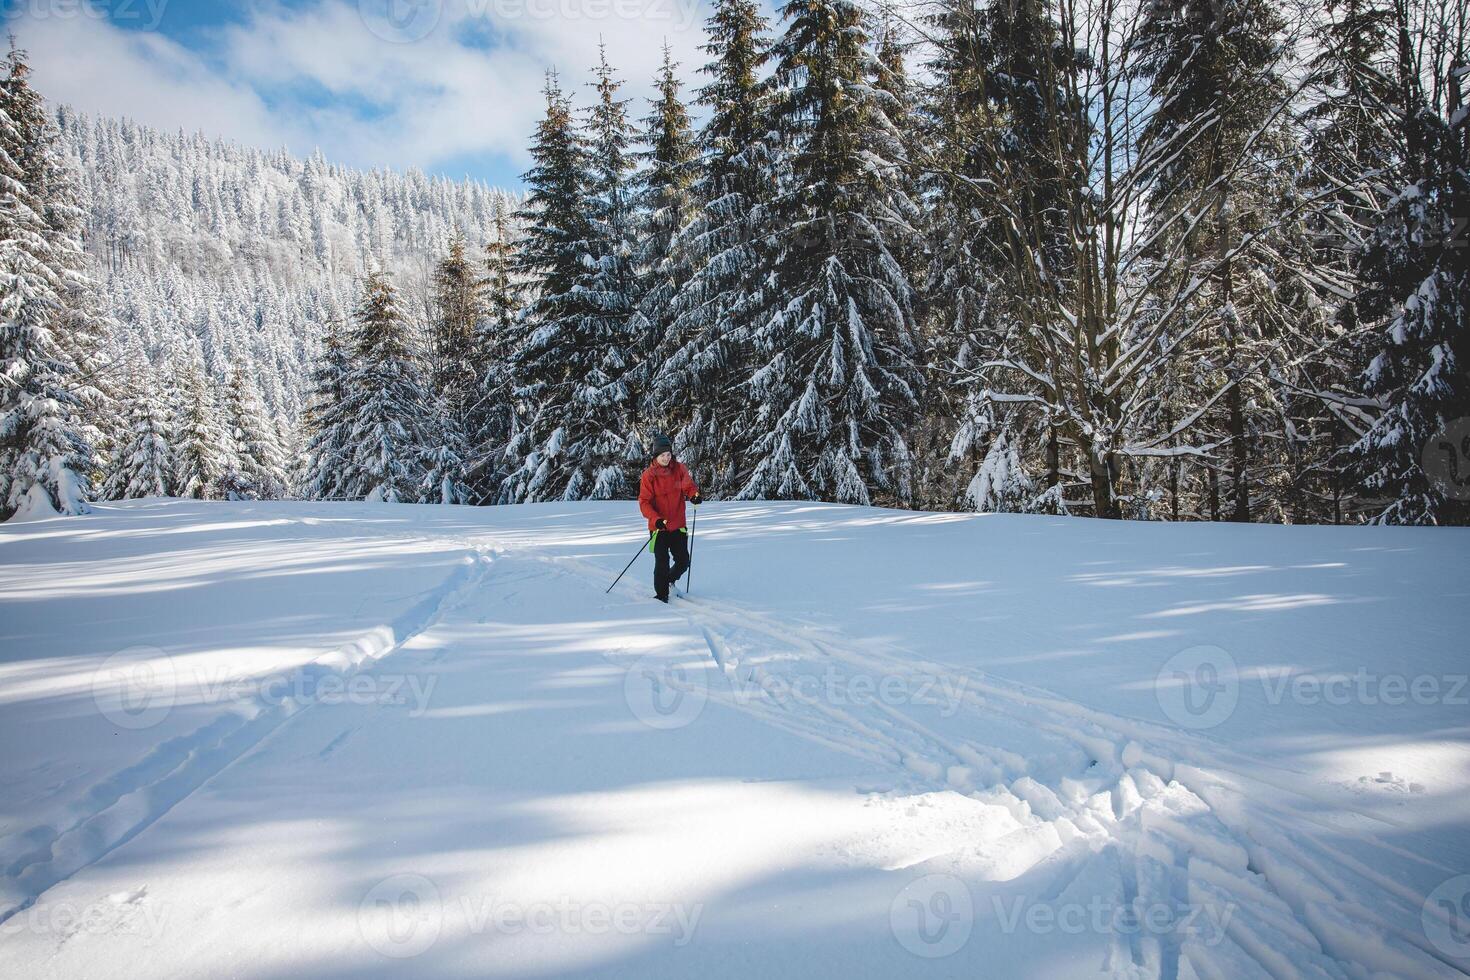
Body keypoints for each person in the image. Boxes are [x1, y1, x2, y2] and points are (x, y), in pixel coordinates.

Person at [638, 433, 701, 602]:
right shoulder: (648, 476)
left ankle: (669, 581)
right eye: (662, 455)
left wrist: (694, 495)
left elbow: (689, 486)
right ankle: (661, 596)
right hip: (658, 527)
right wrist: (655, 519)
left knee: (683, 561)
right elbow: (644, 502)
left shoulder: (679, 469)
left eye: (668, 454)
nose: (666, 458)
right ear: (656, 456)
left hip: (678, 525)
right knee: (662, 562)